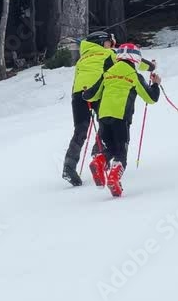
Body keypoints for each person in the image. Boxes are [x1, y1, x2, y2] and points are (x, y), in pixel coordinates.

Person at [62, 32, 156, 187]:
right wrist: (151, 66)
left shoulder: (81, 59)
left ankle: (69, 165)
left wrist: (78, 96)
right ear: (101, 43)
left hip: (80, 93)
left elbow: (76, 78)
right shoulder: (109, 53)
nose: (113, 45)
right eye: (109, 42)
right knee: (106, 122)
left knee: (80, 130)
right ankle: (99, 155)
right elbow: (130, 60)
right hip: (101, 89)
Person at [83, 43, 161, 197]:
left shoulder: (108, 73)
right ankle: (113, 178)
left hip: (103, 116)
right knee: (121, 151)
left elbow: (91, 95)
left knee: (110, 147)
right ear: (136, 59)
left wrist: (85, 94)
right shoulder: (134, 75)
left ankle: (99, 161)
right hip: (121, 117)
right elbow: (150, 98)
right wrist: (156, 84)